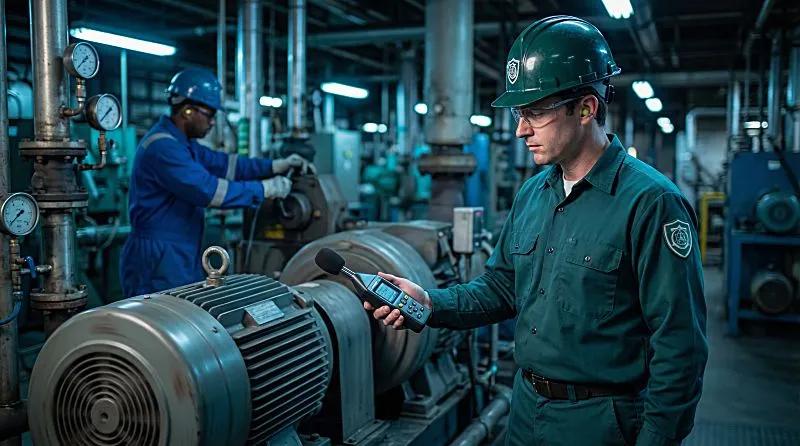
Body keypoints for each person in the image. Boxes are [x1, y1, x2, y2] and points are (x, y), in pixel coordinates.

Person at [366, 15, 708, 446]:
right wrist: (431, 303)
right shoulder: (533, 194)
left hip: (601, 423)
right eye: (518, 113)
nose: (520, 130)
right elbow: (502, 288)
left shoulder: (651, 203)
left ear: (586, 108)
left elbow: (680, 349)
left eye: (535, 113)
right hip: (525, 412)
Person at [120, 67, 314, 297]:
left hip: (180, 250)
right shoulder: (164, 147)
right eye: (210, 114)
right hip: (158, 255)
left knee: (182, 317)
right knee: (160, 322)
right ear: (188, 110)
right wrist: (265, 189)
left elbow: (227, 165)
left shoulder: (183, 144)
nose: (212, 123)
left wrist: (274, 166)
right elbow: (209, 192)